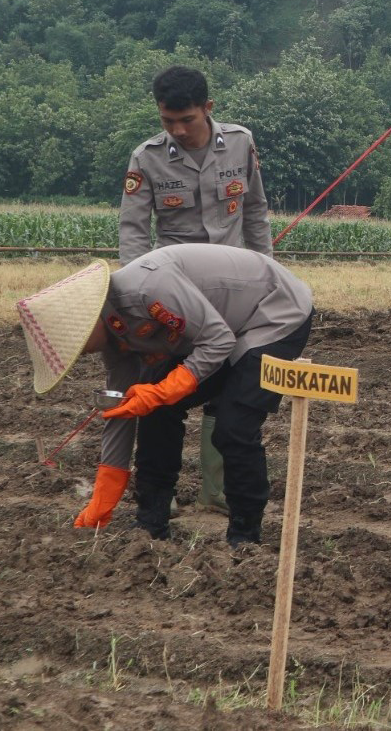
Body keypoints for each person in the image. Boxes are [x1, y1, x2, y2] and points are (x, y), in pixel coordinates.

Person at [16, 245, 315, 548]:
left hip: (274, 314)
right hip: (223, 327)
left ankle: (245, 536)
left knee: (234, 427)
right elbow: (122, 408)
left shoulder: (147, 290)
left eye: (76, 344)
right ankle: (151, 521)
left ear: (88, 316)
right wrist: (104, 496)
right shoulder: (113, 339)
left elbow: (219, 340)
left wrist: (165, 390)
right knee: (155, 409)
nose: (80, 352)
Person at [119, 65, 271, 516]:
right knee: (164, 394)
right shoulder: (146, 158)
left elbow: (256, 212)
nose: (178, 130)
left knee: (227, 390)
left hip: (233, 289)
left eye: (187, 119)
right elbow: (133, 231)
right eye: (168, 121)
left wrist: (268, 275)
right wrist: (138, 295)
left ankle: (217, 493)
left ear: (208, 108)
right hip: (173, 296)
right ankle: (155, 499)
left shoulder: (240, 143)